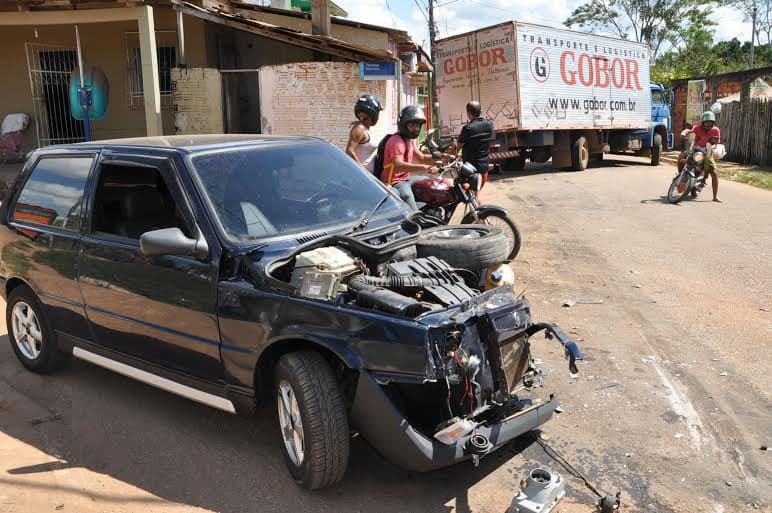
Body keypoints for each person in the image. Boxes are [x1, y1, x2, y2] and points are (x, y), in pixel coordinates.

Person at [380, 105, 439, 210]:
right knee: (412, 209)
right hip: (394, 182)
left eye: (418, 125)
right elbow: (398, 165)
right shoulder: (396, 141)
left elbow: (422, 157)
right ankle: (416, 221)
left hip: (406, 178)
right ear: (403, 124)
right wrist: (426, 168)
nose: (416, 128)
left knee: (432, 183)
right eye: (412, 125)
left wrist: (442, 157)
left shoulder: (408, 140)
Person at [681, 111, 721, 202]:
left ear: (713, 123)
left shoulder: (715, 130)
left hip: (707, 153)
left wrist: (711, 148)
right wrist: (684, 133)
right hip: (695, 150)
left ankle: (715, 197)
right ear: (703, 122)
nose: (708, 124)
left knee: (714, 172)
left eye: (710, 122)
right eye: (706, 122)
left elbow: (715, 144)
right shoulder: (697, 128)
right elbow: (689, 131)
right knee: (681, 157)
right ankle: (680, 174)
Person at [456, 101, 494, 188]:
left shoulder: (468, 128)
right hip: (484, 168)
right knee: (476, 195)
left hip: (470, 170)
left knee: (469, 195)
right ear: (480, 112)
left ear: (468, 113)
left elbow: (458, 147)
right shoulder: (489, 124)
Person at [346, 94, 383, 173]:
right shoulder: (359, 129)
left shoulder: (366, 128)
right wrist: (362, 171)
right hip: (360, 176)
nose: (361, 118)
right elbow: (349, 151)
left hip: (369, 176)